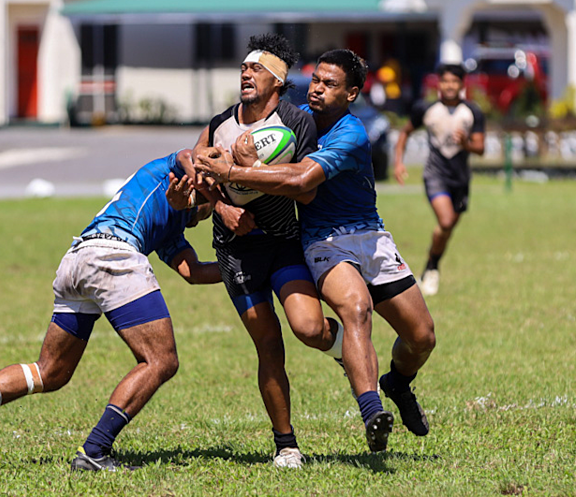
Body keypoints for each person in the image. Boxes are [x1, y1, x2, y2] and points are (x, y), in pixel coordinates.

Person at [196, 49, 436, 452]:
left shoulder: (351, 133)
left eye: (330, 84)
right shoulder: (292, 121)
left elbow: (302, 180)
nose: (317, 89)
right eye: (316, 80)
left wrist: (237, 172)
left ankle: (397, 382)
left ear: (351, 93)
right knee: (356, 309)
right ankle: (372, 411)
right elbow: (210, 144)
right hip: (322, 239)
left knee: (422, 336)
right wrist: (217, 192)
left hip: (370, 236)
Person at [0, 150, 220, 471]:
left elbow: (194, 272)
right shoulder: (165, 173)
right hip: (112, 254)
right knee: (161, 360)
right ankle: (95, 450)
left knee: (50, 371)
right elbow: (188, 155)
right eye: (209, 207)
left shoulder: (172, 227)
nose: (204, 216)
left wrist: (247, 268)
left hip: (78, 258)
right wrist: (215, 195)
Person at [193, 33, 341, 468]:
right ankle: (286, 445)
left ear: (277, 80)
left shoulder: (297, 123)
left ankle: (344, 349)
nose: (245, 73)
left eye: (256, 68)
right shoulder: (220, 124)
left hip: (282, 242)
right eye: (243, 67)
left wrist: (247, 171)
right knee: (268, 344)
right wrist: (222, 207)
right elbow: (198, 177)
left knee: (309, 328)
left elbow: (307, 191)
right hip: (235, 250)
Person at [393, 63, 485, 296]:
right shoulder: (426, 108)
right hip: (435, 174)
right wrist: (398, 162)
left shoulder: (472, 111)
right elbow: (405, 132)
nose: (450, 86)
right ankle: (432, 268)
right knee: (445, 222)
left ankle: (431, 265)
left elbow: (480, 148)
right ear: (439, 83)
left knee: (447, 229)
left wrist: (465, 144)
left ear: (462, 84)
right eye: (445, 81)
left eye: (454, 81)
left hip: (460, 179)